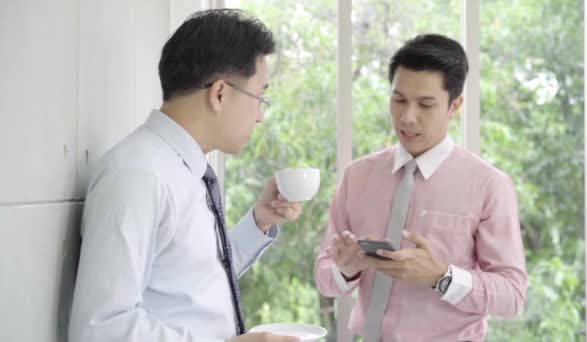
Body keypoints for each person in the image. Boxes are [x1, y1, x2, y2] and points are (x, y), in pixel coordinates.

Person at [69, 9, 302, 342]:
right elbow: (101, 327)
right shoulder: (138, 175)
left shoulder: (185, 169)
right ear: (219, 93)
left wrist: (259, 221)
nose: (260, 116)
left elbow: (195, 282)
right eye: (259, 97)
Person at [314, 34, 527, 342]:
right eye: (398, 99)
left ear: (455, 105)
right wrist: (345, 269)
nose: (407, 117)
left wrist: (441, 276)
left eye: (425, 104)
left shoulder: (489, 185)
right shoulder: (357, 176)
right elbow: (325, 279)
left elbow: (511, 295)